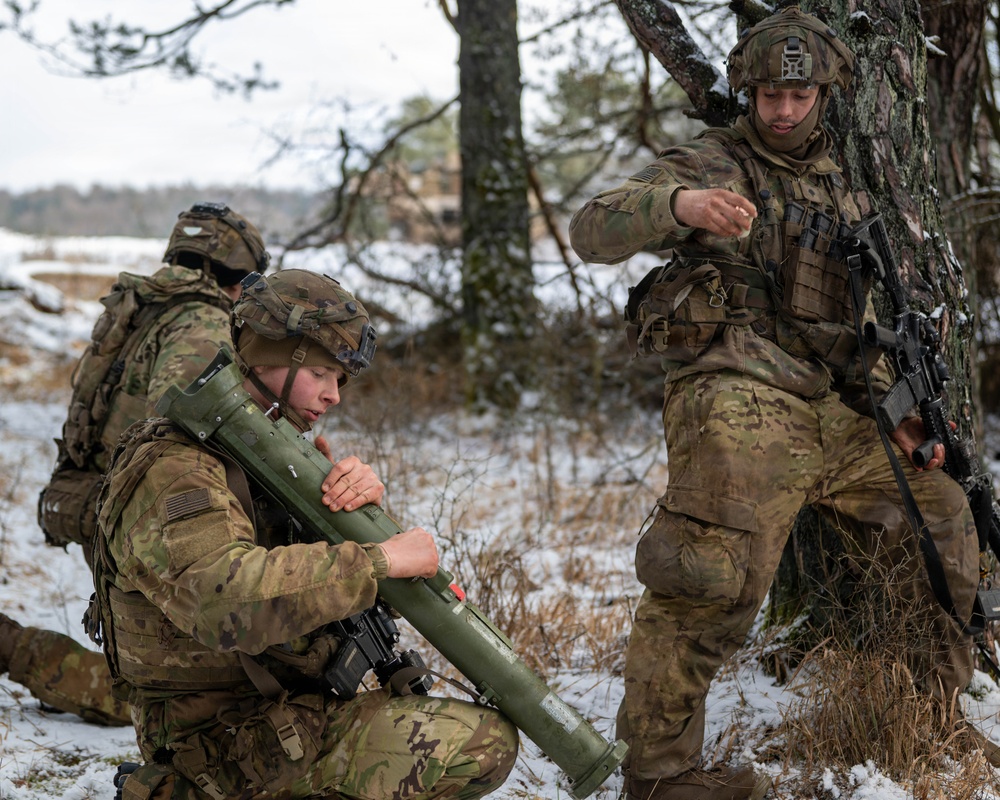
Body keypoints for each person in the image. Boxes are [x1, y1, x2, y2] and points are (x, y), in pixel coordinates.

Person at [570, 6, 987, 800]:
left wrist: (896, 412)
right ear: (749, 93)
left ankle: (932, 718)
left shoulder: (845, 192)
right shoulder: (714, 162)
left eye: (800, 95)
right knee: (708, 572)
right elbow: (591, 228)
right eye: (770, 95)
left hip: (834, 408)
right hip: (739, 391)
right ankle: (660, 774)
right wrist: (682, 207)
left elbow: (853, 329)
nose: (785, 110)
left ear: (826, 95)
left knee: (942, 514)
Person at [90, 268, 519, 800]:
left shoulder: (260, 454)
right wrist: (377, 559)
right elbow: (225, 603)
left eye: (339, 379)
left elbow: (323, 586)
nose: (334, 396)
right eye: (320, 373)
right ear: (269, 356)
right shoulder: (179, 466)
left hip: (279, 713)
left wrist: (352, 514)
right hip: (220, 742)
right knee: (480, 743)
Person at [0, 202, 270, 726]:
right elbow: (184, 425)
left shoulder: (144, 306)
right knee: (170, 699)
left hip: (102, 500)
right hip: (138, 518)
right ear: (240, 276)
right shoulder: (201, 319)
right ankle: (12, 647)